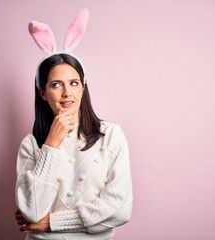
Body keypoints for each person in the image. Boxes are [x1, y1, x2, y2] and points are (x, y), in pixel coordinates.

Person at [14, 9, 133, 240]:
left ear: (83, 87)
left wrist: (53, 223)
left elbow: (120, 209)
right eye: (56, 84)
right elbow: (32, 211)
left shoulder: (111, 136)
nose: (67, 93)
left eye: (74, 83)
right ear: (43, 92)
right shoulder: (31, 145)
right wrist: (51, 144)